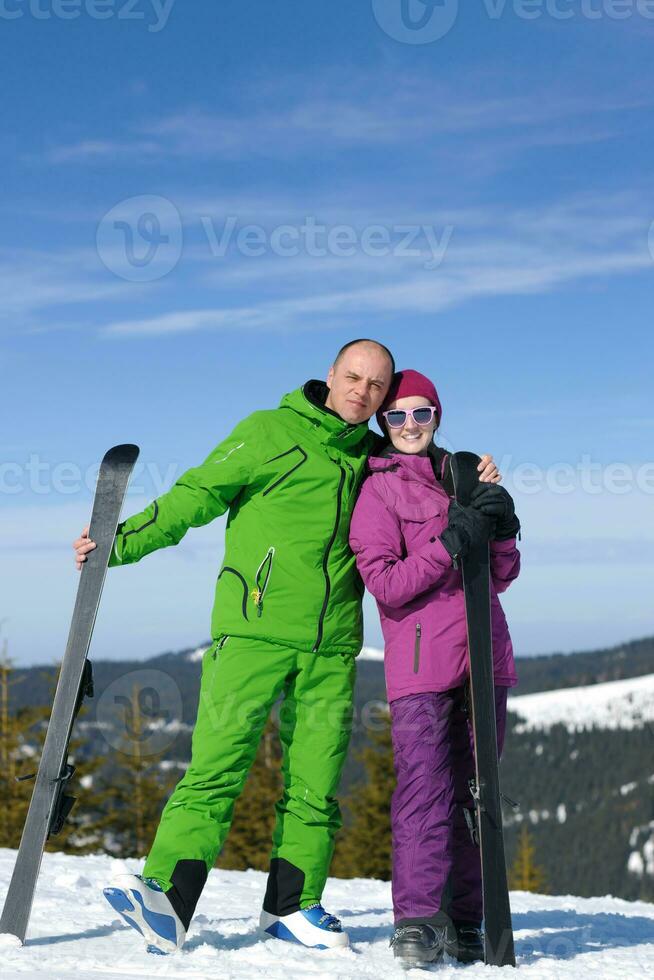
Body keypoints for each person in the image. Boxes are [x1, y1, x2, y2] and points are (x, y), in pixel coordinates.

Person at [72, 343, 501, 955]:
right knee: (219, 766)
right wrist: (119, 542)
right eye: (353, 377)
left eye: (376, 386)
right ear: (330, 376)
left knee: (316, 781)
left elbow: (426, 471)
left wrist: (475, 478)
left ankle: (293, 905)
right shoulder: (268, 431)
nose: (362, 391)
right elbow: (196, 495)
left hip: (332, 645)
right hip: (254, 629)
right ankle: (167, 895)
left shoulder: (373, 457)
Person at [349, 369, 520, 968]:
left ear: (437, 417)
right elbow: (387, 584)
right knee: (426, 792)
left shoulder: (467, 475)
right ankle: (418, 919)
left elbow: (500, 577)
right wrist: (448, 543)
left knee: (480, 794)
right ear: (382, 423)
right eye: (397, 416)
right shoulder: (378, 492)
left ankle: (469, 918)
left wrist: (503, 529)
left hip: (486, 656)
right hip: (422, 666)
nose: (411, 425)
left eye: (422, 413)